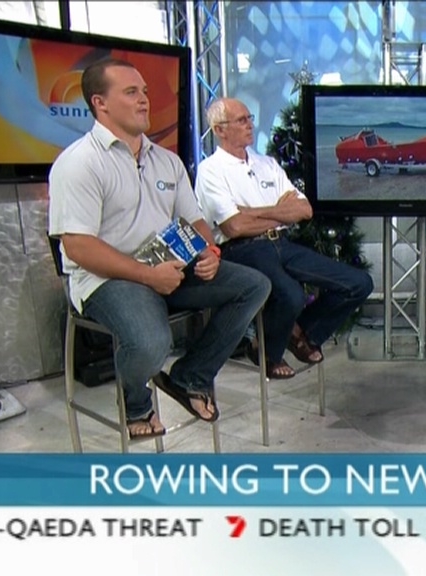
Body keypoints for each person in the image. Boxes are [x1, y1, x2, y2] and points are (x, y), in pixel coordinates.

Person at [48, 59, 271, 439]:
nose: (144, 100)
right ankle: (137, 403)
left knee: (254, 285)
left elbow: (194, 221)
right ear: (100, 103)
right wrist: (147, 276)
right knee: (152, 343)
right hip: (108, 279)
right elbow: (79, 247)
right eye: (131, 92)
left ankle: (190, 376)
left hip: (169, 269)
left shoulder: (167, 161)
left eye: (145, 92)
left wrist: (209, 253)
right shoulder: (78, 163)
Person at [193, 97, 374, 380]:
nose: (250, 125)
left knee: (359, 283)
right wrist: (280, 213)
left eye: (250, 118)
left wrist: (254, 212)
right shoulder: (211, 170)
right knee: (291, 295)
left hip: (281, 243)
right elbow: (234, 227)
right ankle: (267, 351)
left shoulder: (267, 164)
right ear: (219, 130)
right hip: (242, 250)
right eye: (241, 120)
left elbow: (304, 210)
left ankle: (302, 332)